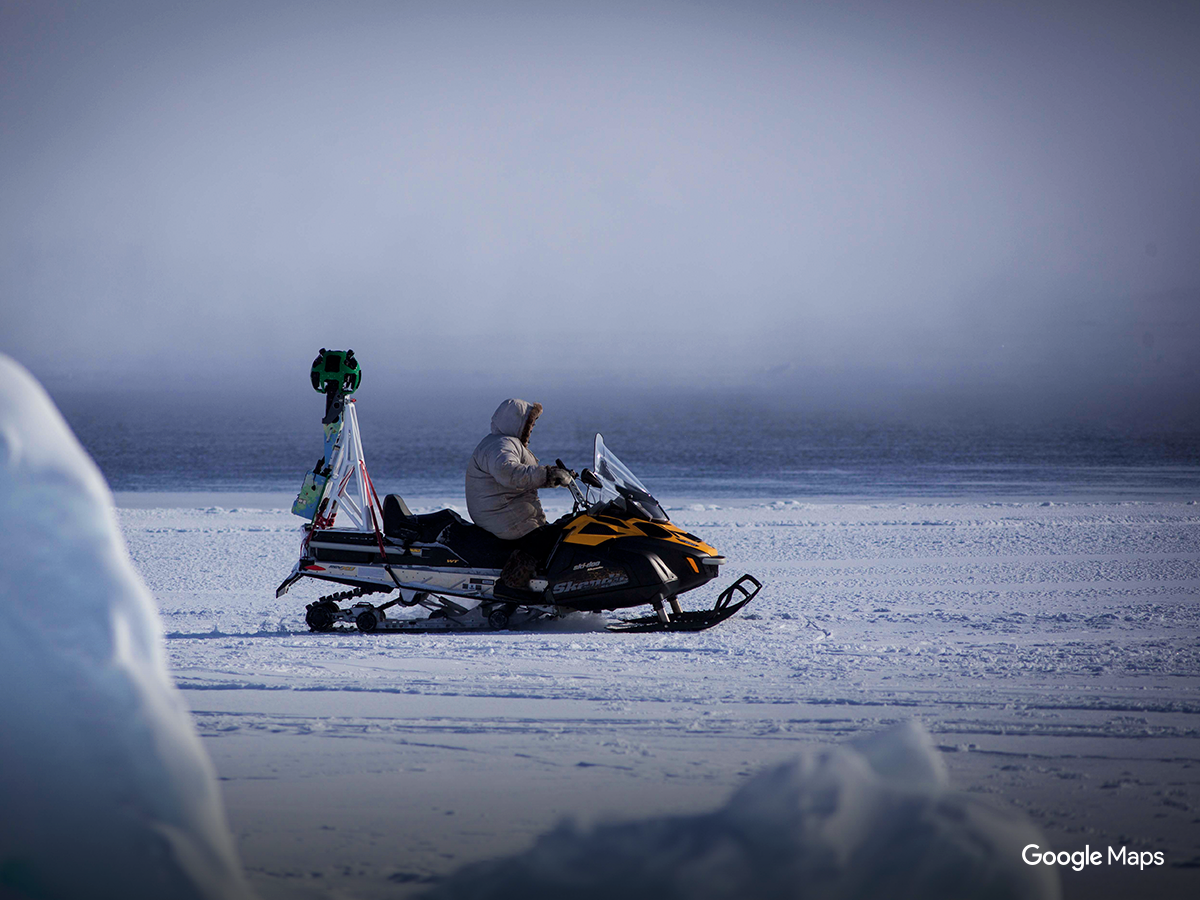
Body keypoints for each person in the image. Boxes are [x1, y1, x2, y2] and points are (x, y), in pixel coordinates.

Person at [465, 398, 573, 589]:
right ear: (516, 422)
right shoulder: (501, 445)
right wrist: (548, 475)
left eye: (533, 423)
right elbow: (509, 473)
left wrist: (556, 473)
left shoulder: (504, 443)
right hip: (503, 515)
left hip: (504, 511)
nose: (531, 428)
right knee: (547, 539)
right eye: (530, 423)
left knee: (558, 531)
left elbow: (524, 471)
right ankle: (511, 585)